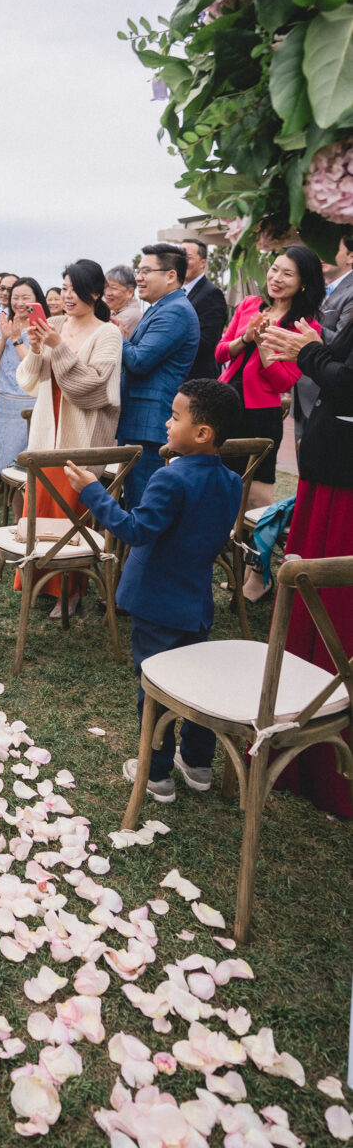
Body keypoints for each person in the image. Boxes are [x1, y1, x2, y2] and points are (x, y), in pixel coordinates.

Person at [65, 379, 243, 804]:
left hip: (156, 602)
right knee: (195, 683)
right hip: (195, 601)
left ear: (202, 432)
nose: (166, 422)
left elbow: (135, 530)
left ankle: (158, 774)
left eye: (175, 416)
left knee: (157, 686)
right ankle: (198, 764)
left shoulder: (171, 479)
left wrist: (90, 490)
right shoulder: (232, 481)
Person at [263, 309, 353, 817]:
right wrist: (322, 345)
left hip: (345, 481)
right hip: (330, 471)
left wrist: (309, 353)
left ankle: (323, 747)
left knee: (333, 607)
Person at [16, 260, 123, 611]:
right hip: (46, 434)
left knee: (71, 519)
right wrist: (36, 349)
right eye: (64, 289)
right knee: (39, 511)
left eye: (75, 289)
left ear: (95, 292)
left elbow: (92, 389)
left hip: (82, 440)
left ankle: (71, 592)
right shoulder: (55, 323)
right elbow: (29, 383)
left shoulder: (108, 333)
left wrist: (58, 346)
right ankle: (39, 585)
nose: (68, 296)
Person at [215, 244, 324, 510]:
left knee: (255, 494)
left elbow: (284, 383)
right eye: (274, 270)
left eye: (288, 274)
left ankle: (253, 549)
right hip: (223, 404)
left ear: (303, 283)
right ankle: (217, 544)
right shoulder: (250, 305)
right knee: (217, 484)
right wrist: (246, 338)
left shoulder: (305, 326)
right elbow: (220, 353)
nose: (276, 278)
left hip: (259, 417)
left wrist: (264, 347)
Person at [116, 244, 200, 509]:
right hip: (140, 419)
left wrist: (116, 338)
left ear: (170, 276)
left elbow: (140, 361)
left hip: (150, 424)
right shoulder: (160, 306)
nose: (138, 278)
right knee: (135, 499)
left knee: (145, 504)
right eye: (138, 271)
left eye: (145, 271)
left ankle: (143, 552)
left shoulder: (175, 311)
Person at [293, 228, 353, 440]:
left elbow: (343, 345)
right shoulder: (315, 290)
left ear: (351, 256)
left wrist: (307, 327)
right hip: (302, 395)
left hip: (329, 395)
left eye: (329, 248)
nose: (320, 254)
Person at [0, 276, 45, 473]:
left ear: (36, 299)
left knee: (30, 467)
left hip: (34, 403)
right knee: (7, 468)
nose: (20, 303)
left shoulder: (43, 329)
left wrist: (17, 339)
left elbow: (34, 367)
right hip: (6, 405)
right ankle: (14, 504)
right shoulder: (4, 326)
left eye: (25, 298)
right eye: (15, 297)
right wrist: (4, 337)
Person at [181, 240, 228, 380]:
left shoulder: (212, 294)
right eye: (179, 257)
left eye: (188, 258)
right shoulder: (175, 292)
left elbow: (207, 341)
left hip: (198, 379)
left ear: (203, 262)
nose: (181, 261)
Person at [104, 265, 143, 336]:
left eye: (114, 288)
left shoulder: (128, 316)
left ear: (130, 292)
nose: (107, 293)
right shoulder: (116, 311)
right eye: (105, 287)